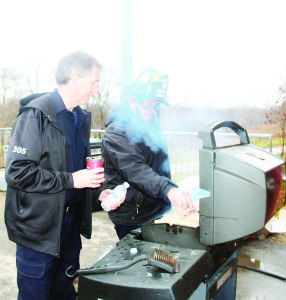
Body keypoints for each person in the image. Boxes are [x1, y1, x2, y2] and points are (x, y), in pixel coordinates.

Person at [4, 51, 116, 300]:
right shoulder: (36, 114)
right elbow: (17, 172)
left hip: (69, 231)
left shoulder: (78, 117)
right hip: (39, 233)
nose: (96, 89)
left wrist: (100, 194)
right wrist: (72, 180)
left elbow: (77, 173)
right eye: (93, 82)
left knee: (66, 296)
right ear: (74, 76)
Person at [101, 68, 193, 240]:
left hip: (157, 207)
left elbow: (159, 166)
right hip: (133, 215)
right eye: (150, 104)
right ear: (133, 98)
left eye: (157, 104)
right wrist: (168, 188)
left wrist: (172, 193)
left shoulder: (149, 123)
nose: (153, 110)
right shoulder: (116, 133)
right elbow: (137, 170)